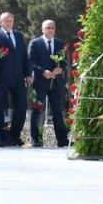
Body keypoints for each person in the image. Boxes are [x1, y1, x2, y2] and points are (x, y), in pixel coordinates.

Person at [0, 12, 30, 147]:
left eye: (11, 21)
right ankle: (0, 137)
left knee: (22, 106)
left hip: (18, 77)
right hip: (0, 78)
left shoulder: (18, 35)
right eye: (6, 21)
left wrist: (28, 74)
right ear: (0, 22)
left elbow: (24, 56)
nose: (9, 23)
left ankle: (14, 136)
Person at [28, 19, 70, 147]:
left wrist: (60, 68)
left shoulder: (59, 43)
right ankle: (35, 138)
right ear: (42, 29)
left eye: (52, 27)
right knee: (37, 110)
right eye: (48, 27)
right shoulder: (35, 43)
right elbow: (30, 62)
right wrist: (43, 71)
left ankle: (62, 139)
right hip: (40, 82)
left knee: (57, 110)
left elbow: (63, 62)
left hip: (55, 83)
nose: (50, 30)